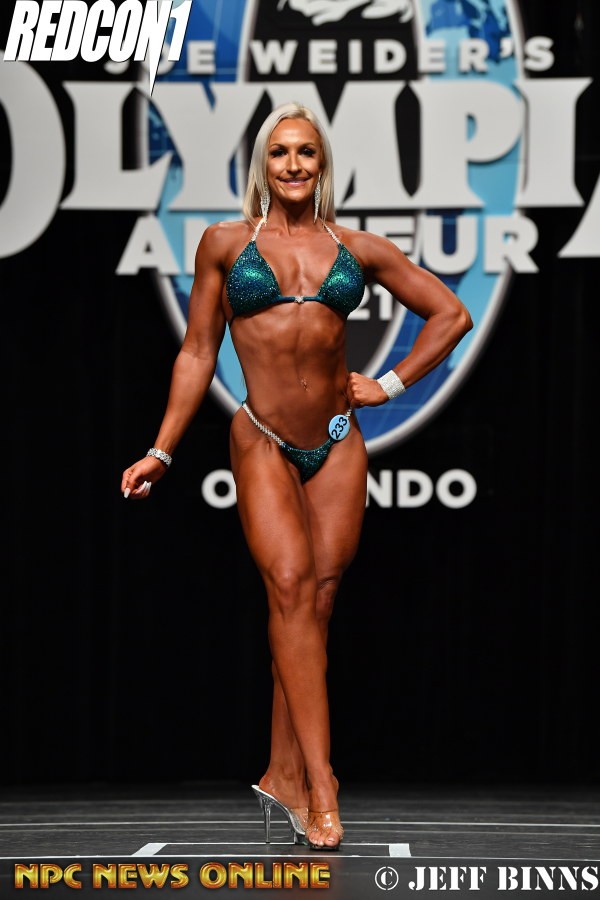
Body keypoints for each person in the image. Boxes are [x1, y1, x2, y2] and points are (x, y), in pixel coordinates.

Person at [121, 101, 473, 851]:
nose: (292, 164)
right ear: (263, 164)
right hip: (263, 438)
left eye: (305, 152)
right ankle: (322, 783)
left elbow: (450, 314)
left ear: (322, 165)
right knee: (287, 587)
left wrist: (392, 382)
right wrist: (163, 450)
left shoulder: (357, 247)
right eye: (279, 152)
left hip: (338, 442)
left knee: (314, 606)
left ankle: (282, 773)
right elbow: (197, 351)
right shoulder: (226, 244)